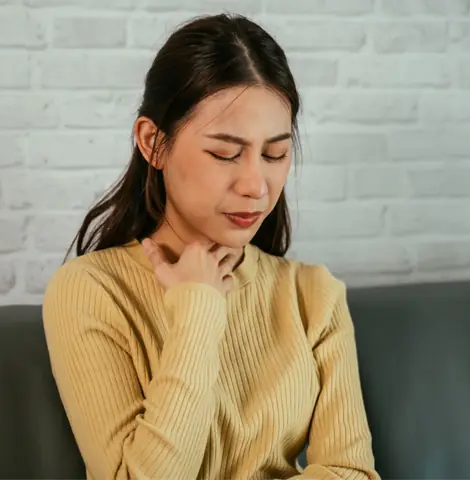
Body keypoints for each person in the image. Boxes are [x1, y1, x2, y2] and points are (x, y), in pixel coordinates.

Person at [42, 12, 380, 480]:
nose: (256, 186)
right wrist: (197, 310)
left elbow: (351, 472)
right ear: (153, 143)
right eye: (225, 153)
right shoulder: (91, 290)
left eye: (275, 154)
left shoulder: (312, 294)